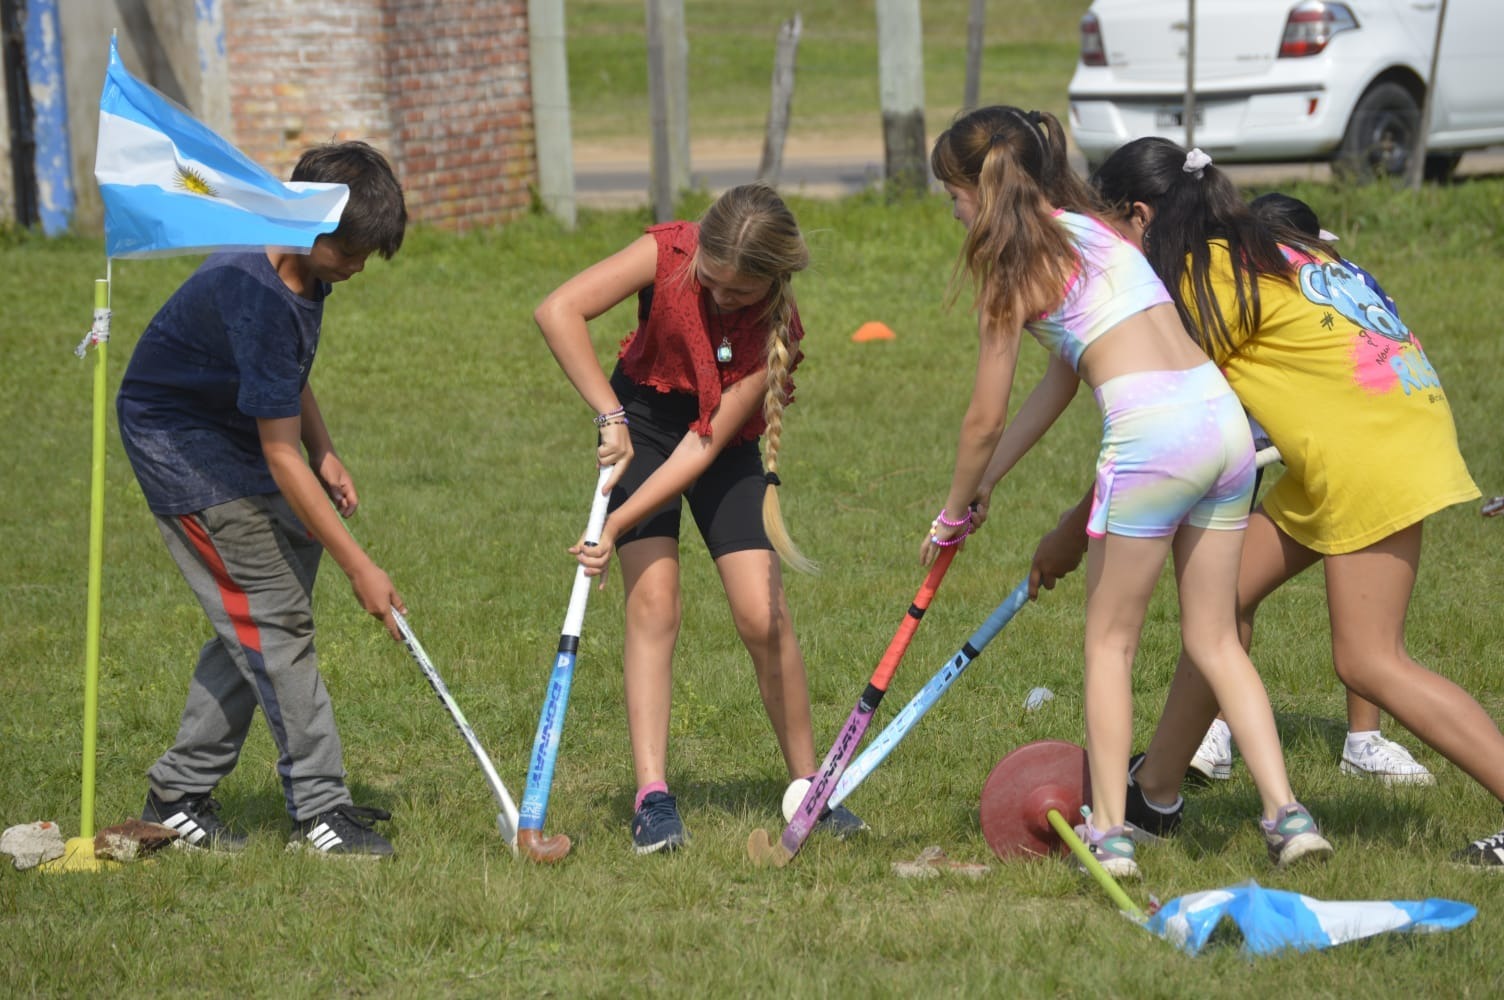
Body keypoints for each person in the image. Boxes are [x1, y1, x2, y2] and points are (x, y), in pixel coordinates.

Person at [1047, 136, 1503, 871]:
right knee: (1218, 609)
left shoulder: (1200, 282)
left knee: (1369, 661)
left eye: (1113, 234)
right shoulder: (1262, 241)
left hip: (1369, 447)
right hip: (1385, 425)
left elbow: (1160, 437)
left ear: (1140, 219)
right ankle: (1156, 792)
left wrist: (1074, 533)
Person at [921, 106, 1331, 881]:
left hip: (1153, 438)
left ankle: (1110, 833)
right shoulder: (1097, 230)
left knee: (1110, 643)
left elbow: (983, 416)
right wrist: (987, 490)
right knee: (1213, 639)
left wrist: (951, 508)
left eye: (953, 194)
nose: (953, 212)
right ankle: (1287, 814)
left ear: (979, 189)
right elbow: (1062, 378)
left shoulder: (1008, 265)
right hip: (1221, 423)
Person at [534, 183, 866, 855]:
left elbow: (707, 442)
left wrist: (618, 520)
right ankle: (652, 797)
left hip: (719, 445)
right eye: (711, 283)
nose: (720, 300)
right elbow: (558, 310)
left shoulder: (778, 327)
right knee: (654, 603)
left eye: (737, 294)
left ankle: (811, 789)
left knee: (761, 616)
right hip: (644, 422)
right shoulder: (667, 253)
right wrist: (610, 415)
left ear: (771, 282)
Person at [116, 141, 409, 858]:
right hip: (182, 444)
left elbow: (285, 371)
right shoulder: (253, 290)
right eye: (355, 251)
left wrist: (325, 447)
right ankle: (320, 811)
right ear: (308, 225)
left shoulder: (303, 273)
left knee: (255, 620)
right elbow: (276, 452)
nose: (360, 266)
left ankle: (179, 796)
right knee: (274, 621)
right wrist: (361, 568)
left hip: (235, 423)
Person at [1181, 192, 1434, 789]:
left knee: (1368, 649)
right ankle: (1206, 734)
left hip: (1349, 455)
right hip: (1251, 442)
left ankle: (1364, 740)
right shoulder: (1235, 295)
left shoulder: (1331, 288)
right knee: (1222, 593)